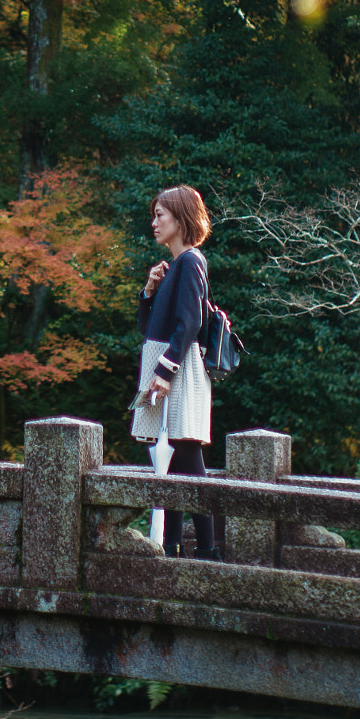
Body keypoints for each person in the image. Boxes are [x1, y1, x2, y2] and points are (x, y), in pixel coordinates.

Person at [131, 184, 220, 560]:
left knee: (184, 453)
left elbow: (191, 322)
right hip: (168, 367)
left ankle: (208, 550)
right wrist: (150, 292)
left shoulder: (191, 262)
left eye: (160, 215)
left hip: (177, 371)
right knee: (173, 457)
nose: (154, 222)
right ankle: (173, 545)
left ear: (181, 218)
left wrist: (165, 373)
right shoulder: (174, 267)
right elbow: (150, 327)